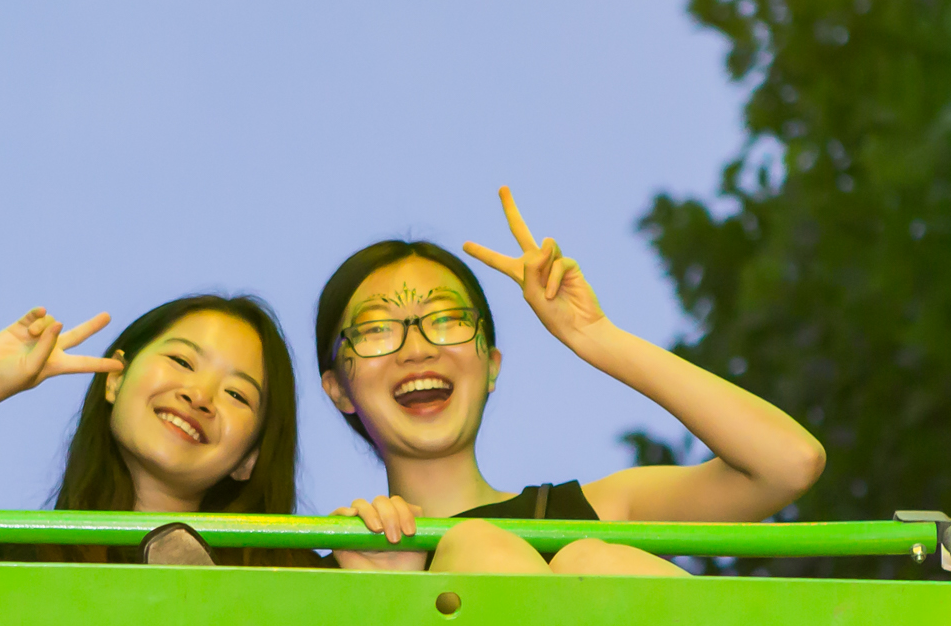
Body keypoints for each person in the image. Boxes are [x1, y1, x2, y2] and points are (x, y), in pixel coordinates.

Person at [318, 188, 825, 575]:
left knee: (591, 563)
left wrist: (595, 336)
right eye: (377, 330)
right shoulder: (342, 565)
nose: (418, 348)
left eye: (447, 320)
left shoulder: (582, 518)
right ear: (338, 387)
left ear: (492, 364)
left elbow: (786, 464)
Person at [0, 294, 302, 573]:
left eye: (238, 395)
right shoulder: (26, 565)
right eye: (182, 362)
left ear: (251, 459)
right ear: (115, 379)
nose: (200, 395)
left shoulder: (296, 585)